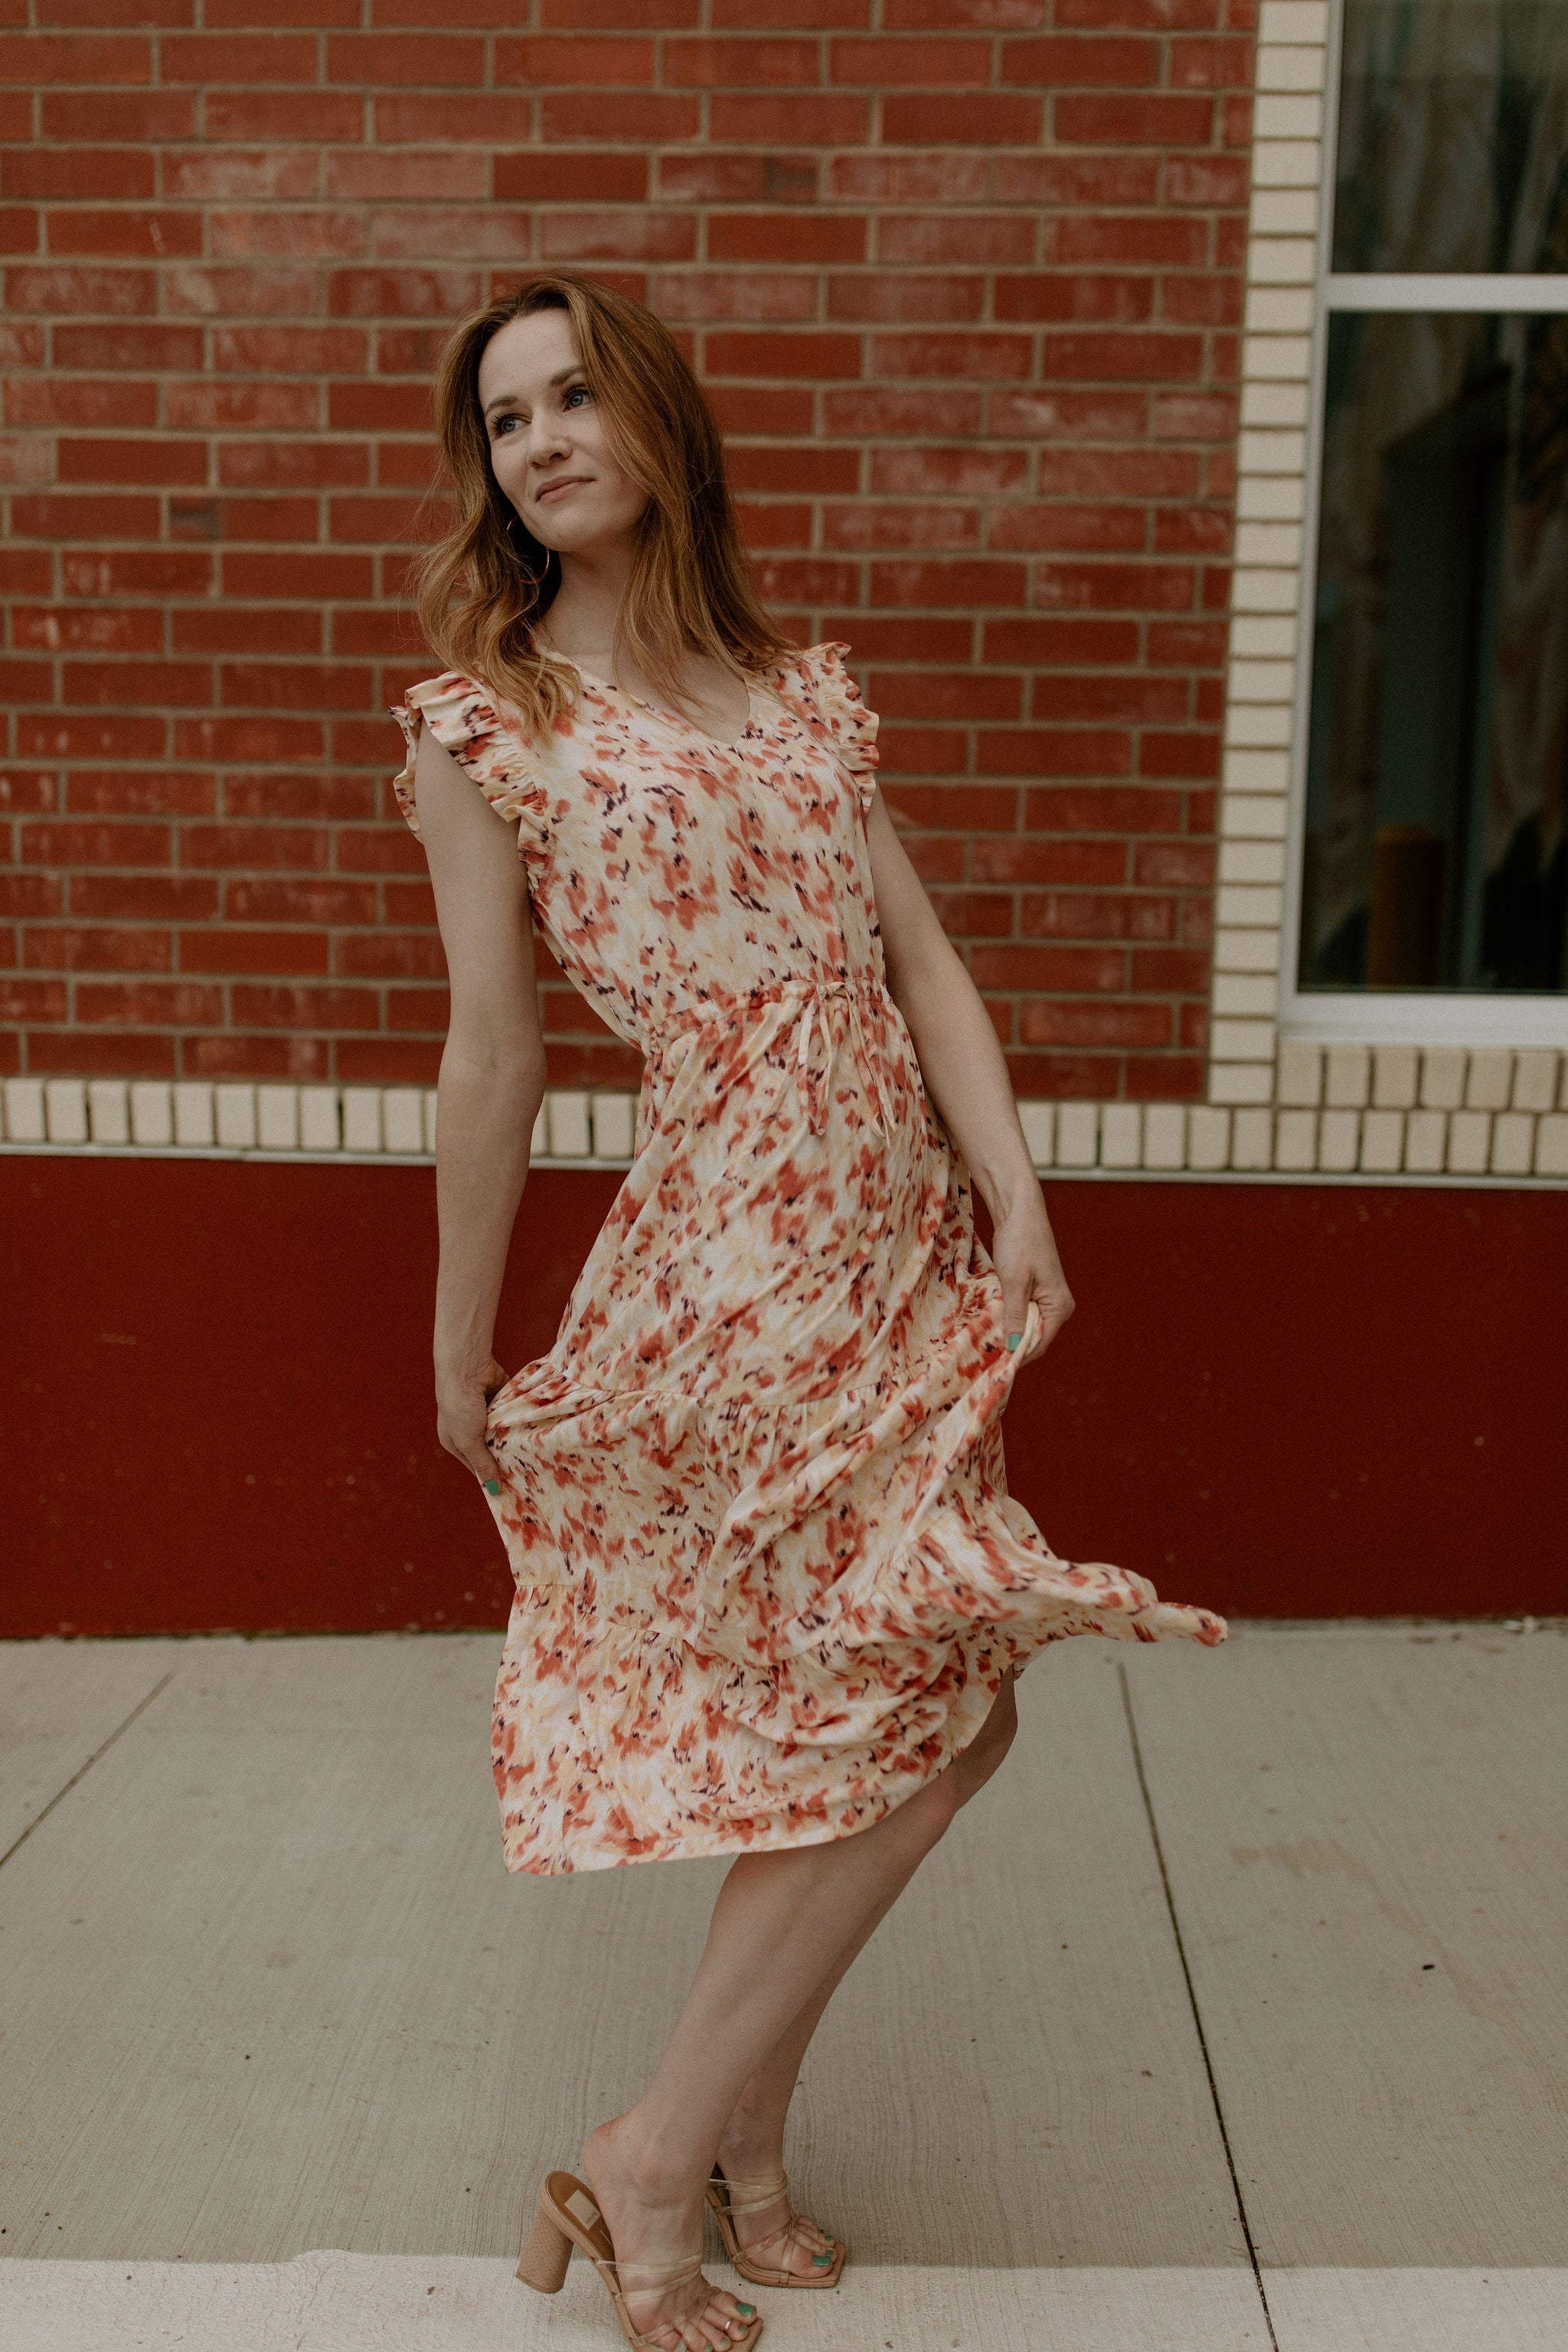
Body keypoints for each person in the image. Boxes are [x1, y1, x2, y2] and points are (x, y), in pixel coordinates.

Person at [390, 270, 1226, 2352]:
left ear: (657, 415)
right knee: (912, 1709)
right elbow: (493, 1056)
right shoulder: (491, 723)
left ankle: (731, 2146)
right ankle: (660, 2155)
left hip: (898, 1249)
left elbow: (917, 962)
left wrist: (1017, 1195)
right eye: (505, 419)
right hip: (739, 1258)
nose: (542, 441)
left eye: (575, 395)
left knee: (912, 1709)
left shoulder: (798, 692)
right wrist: (457, 1341)